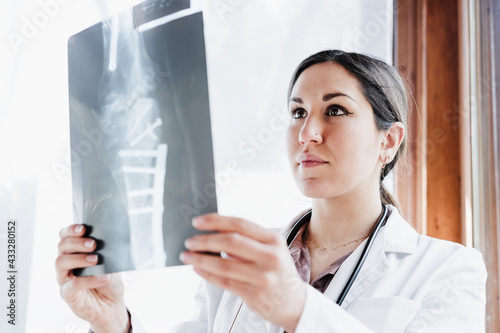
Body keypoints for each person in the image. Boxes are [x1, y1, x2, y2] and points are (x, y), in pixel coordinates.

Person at [56, 50, 487, 332]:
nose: (308, 132)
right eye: (298, 112)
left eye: (335, 110)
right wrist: (114, 323)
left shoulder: (449, 270)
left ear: (389, 141)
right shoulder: (245, 257)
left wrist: (297, 307)